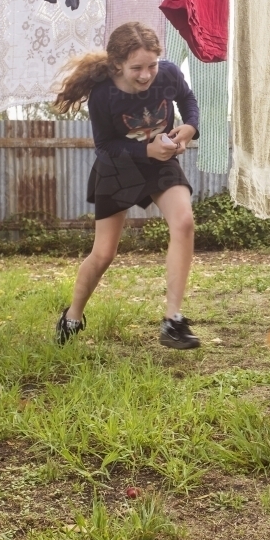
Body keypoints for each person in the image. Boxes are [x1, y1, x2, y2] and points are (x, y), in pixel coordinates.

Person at [51, 21, 201, 350]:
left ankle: (173, 321)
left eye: (152, 65)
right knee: (103, 254)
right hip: (117, 169)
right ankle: (72, 317)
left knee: (185, 223)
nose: (147, 74)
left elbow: (188, 100)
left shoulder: (169, 74)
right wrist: (146, 148)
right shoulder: (104, 94)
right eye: (137, 68)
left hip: (160, 165)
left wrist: (190, 126)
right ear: (118, 64)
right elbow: (105, 146)